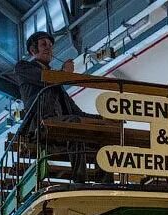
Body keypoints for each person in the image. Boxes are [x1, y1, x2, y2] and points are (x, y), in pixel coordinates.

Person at [6, 31, 101, 182]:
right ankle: (80, 181)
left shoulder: (56, 81)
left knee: (96, 134)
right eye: (43, 45)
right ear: (33, 50)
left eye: (50, 45)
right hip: (40, 126)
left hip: (60, 128)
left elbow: (76, 110)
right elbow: (44, 80)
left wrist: (100, 119)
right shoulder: (23, 68)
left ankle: (105, 183)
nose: (48, 48)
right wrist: (63, 74)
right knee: (74, 125)